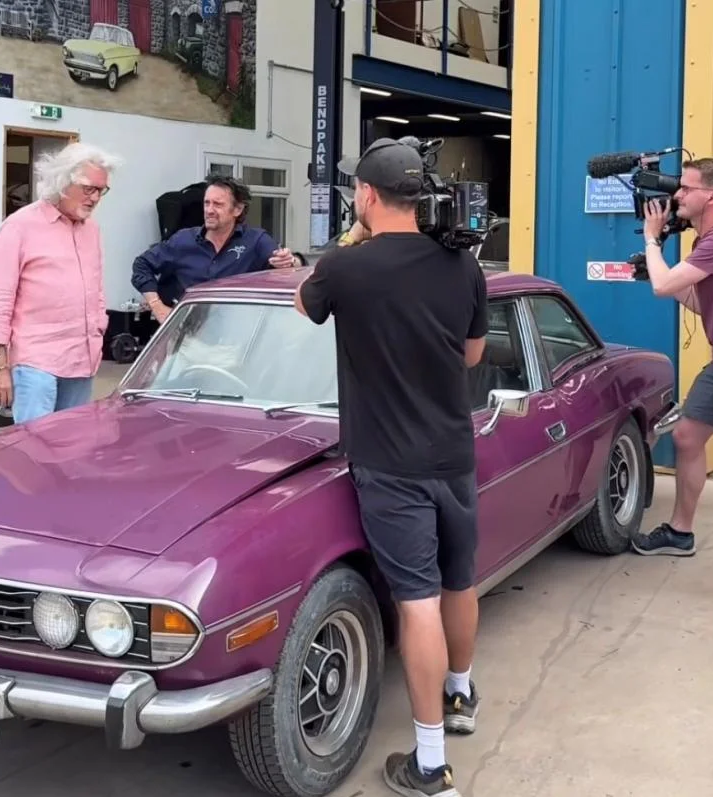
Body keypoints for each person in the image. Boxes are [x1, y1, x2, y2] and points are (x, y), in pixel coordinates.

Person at [293, 137, 488, 797]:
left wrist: (350, 237)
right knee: (459, 579)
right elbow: (471, 355)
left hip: (390, 463)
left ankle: (430, 765)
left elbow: (303, 303)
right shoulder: (462, 264)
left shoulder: (349, 268)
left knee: (418, 600)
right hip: (453, 452)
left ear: (368, 196)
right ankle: (461, 697)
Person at [632, 157, 713, 572]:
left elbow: (664, 284)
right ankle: (680, 532)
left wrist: (652, 242)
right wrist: (655, 275)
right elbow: (700, 303)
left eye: (687, 188)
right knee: (686, 437)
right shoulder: (709, 240)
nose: (677, 195)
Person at [0, 141, 121, 424]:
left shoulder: (91, 230)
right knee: (34, 452)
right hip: (36, 362)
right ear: (62, 181)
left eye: (101, 190)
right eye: (88, 188)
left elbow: (96, 288)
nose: (95, 198)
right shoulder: (19, 226)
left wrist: (98, 326)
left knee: (72, 448)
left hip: (82, 359)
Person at [131, 174, 298, 323]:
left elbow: (290, 269)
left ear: (237, 209)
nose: (209, 210)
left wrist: (289, 261)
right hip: (186, 336)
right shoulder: (183, 240)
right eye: (206, 203)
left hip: (236, 339)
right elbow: (141, 265)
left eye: (218, 204)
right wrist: (157, 306)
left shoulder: (256, 241)